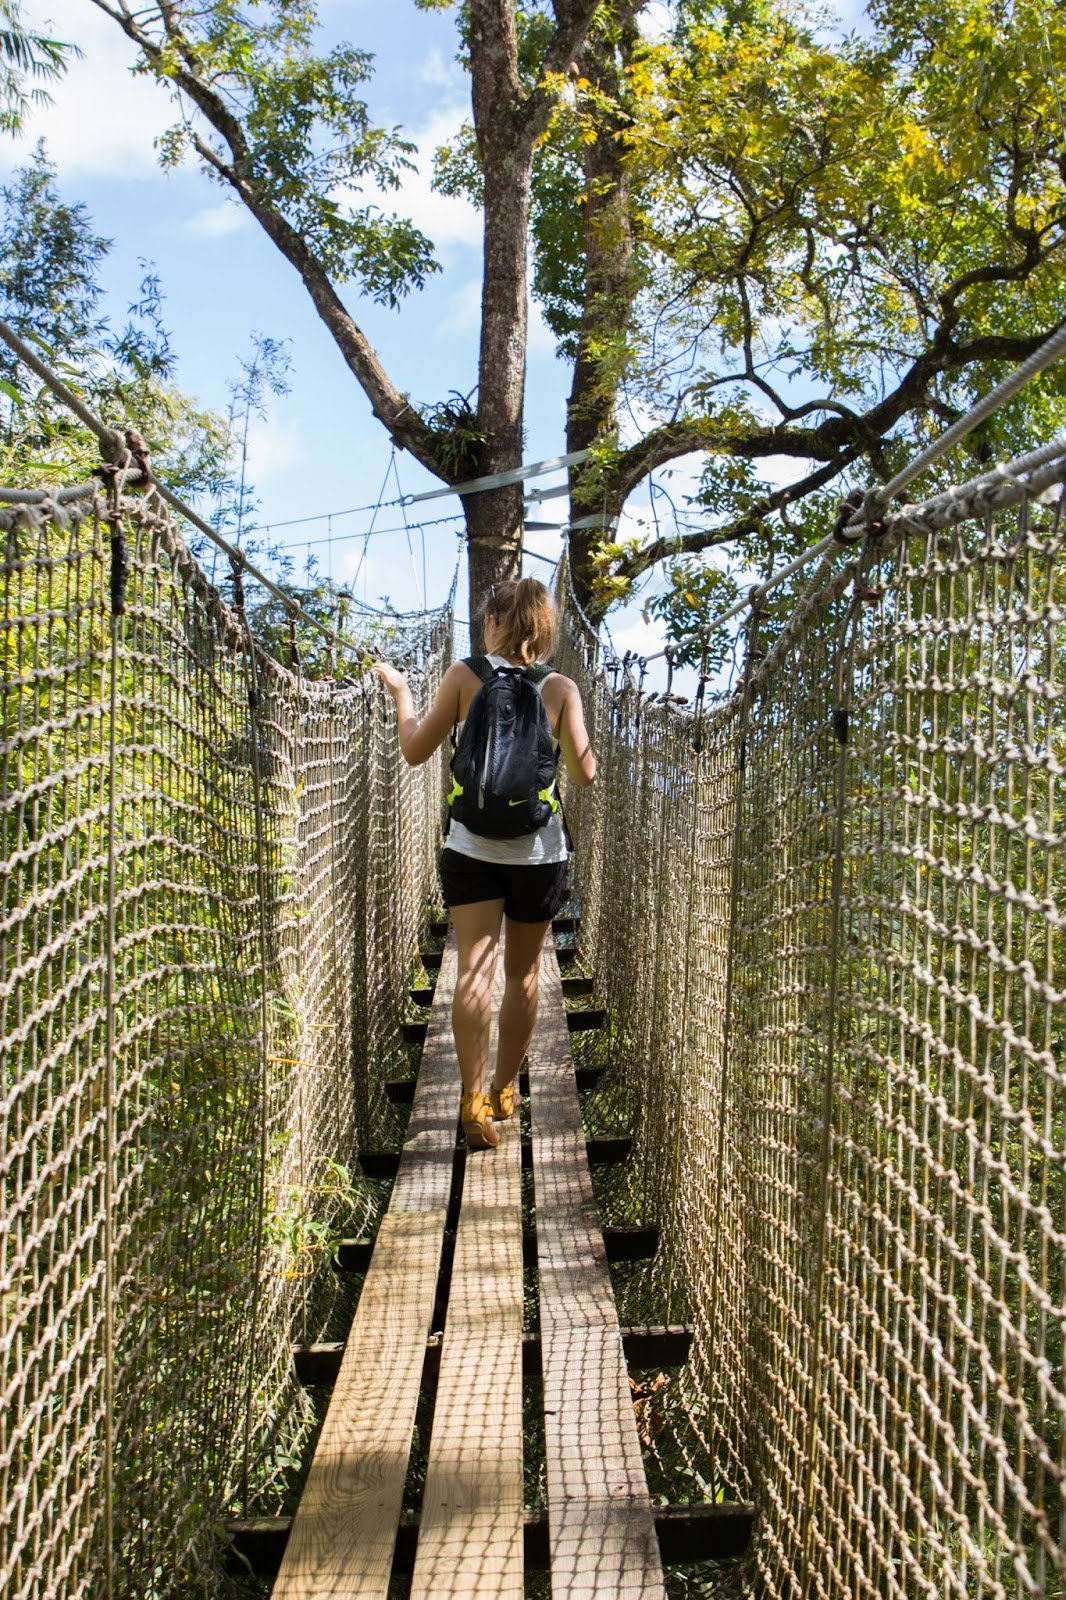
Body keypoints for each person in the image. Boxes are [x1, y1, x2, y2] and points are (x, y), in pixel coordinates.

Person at [372, 576, 597, 1150]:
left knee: (474, 967)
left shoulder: (463, 676)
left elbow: (415, 750)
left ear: (492, 622)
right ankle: (503, 1090)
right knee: (522, 974)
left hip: (471, 847)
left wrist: (402, 694)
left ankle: (472, 1100)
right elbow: (586, 772)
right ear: (545, 628)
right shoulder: (562, 688)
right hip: (539, 853)